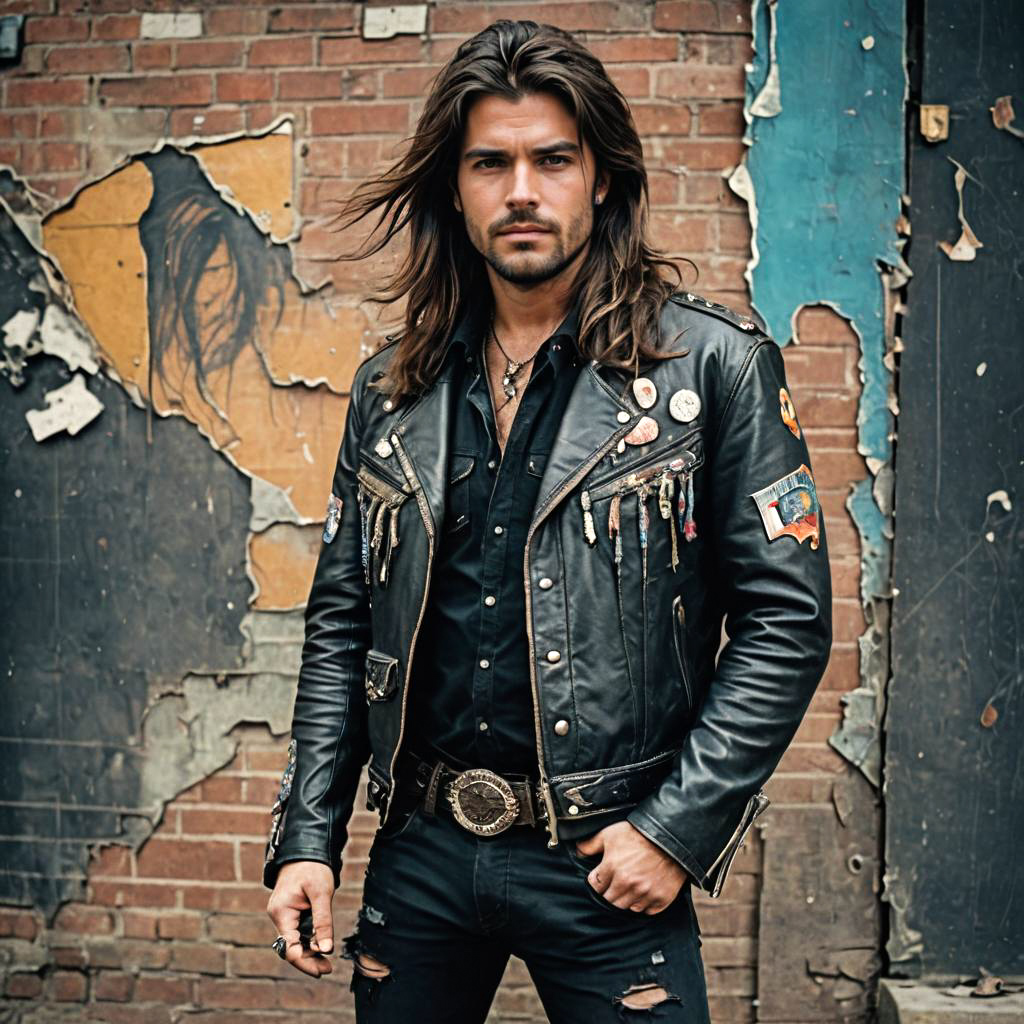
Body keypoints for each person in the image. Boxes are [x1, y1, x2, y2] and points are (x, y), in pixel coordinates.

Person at [263, 19, 832, 1023]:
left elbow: (786, 622)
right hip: (422, 854)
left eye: (551, 160)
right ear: (454, 185)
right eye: (490, 162)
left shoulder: (711, 369)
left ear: (599, 178)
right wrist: (308, 837)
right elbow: (342, 623)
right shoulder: (392, 389)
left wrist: (675, 829)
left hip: (611, 854)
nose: (520, 189)